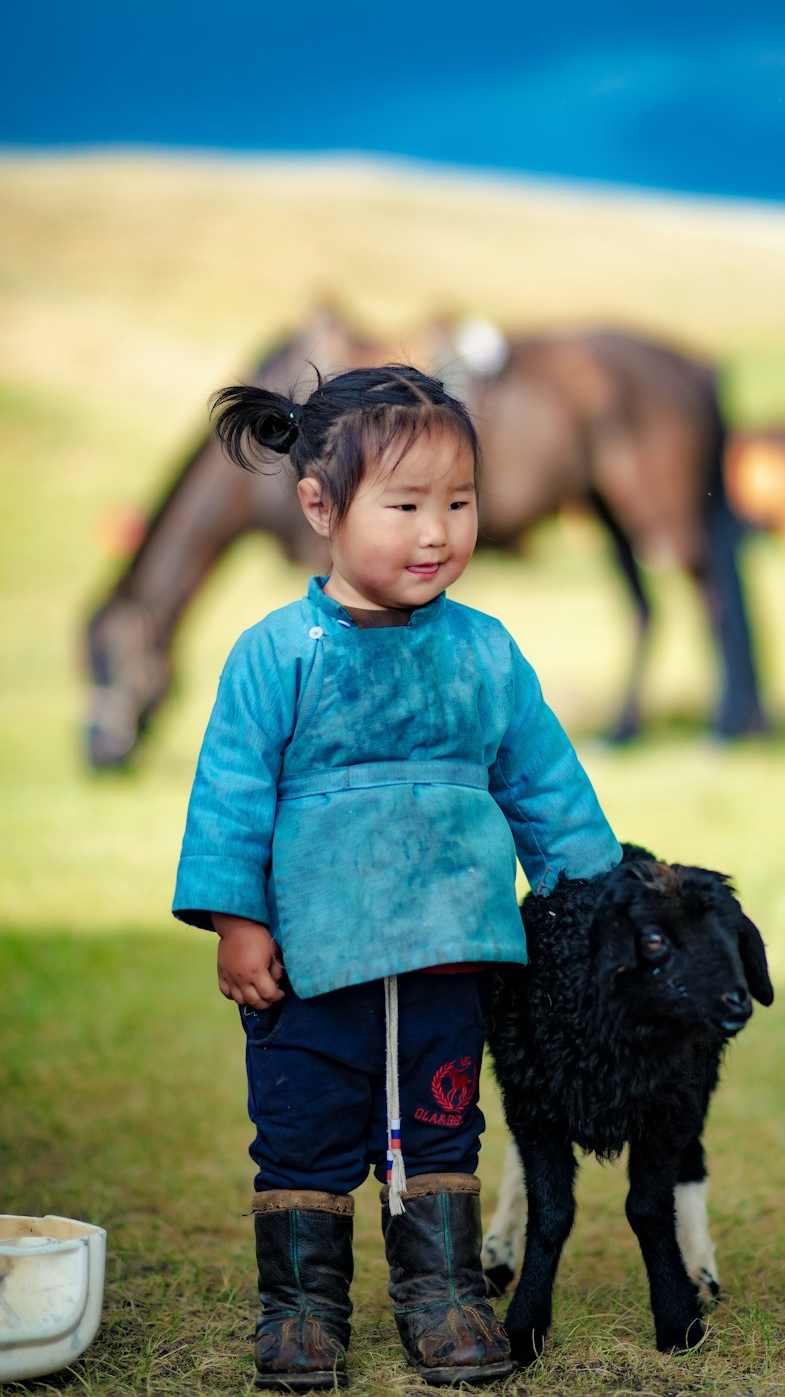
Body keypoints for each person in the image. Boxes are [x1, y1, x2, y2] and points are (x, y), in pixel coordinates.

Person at [173, 364, 622, 1391]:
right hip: (311, 965)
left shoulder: (485, 654)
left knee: (441, 1124)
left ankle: (444, 1293)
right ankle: (299, 1306)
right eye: (407, 505)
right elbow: (231, 795)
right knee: (301, 1131)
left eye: (458, 504)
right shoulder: (275, 656)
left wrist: (588, 891)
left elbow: (543, 780)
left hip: (448, 953)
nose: (438, 533)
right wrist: (238, 921)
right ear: (320, 506)